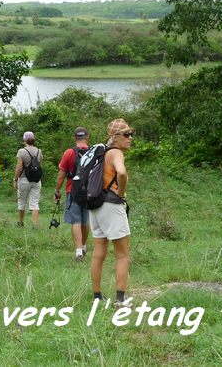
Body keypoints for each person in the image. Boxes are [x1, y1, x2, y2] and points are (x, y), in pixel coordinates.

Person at [90, 119, 135, 308]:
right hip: (111, 205)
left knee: (98, 252)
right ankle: (120, 299)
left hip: (95, 205)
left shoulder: (102, 154)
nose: (130, 138)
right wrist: (122, 192)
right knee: (122, 254)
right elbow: (122, 173)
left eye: (131, 134)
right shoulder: (116, 153)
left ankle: (97, 296)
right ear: (115, 137)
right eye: (126, 134)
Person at [54, 127, 90, 262]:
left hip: (73, 191)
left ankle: (78, 252)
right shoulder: (93, 152)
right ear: (87, 137)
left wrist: (57, 190)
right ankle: (85, 246)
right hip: (89, 192)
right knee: (85, 220)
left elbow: (61, 175)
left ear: (75, 138)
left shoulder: (69, 153)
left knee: (76, 221)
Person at [13, 131, 43, 228]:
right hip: (37, 180)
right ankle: (35, 225)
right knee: (34, 203)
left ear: (24, 139)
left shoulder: (21, 151)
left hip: (24, 180)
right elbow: (39, 165)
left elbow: (19, 168)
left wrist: (15, 179)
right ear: (33, 139)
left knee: (22, 202)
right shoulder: (39, 151)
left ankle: (21, 223)